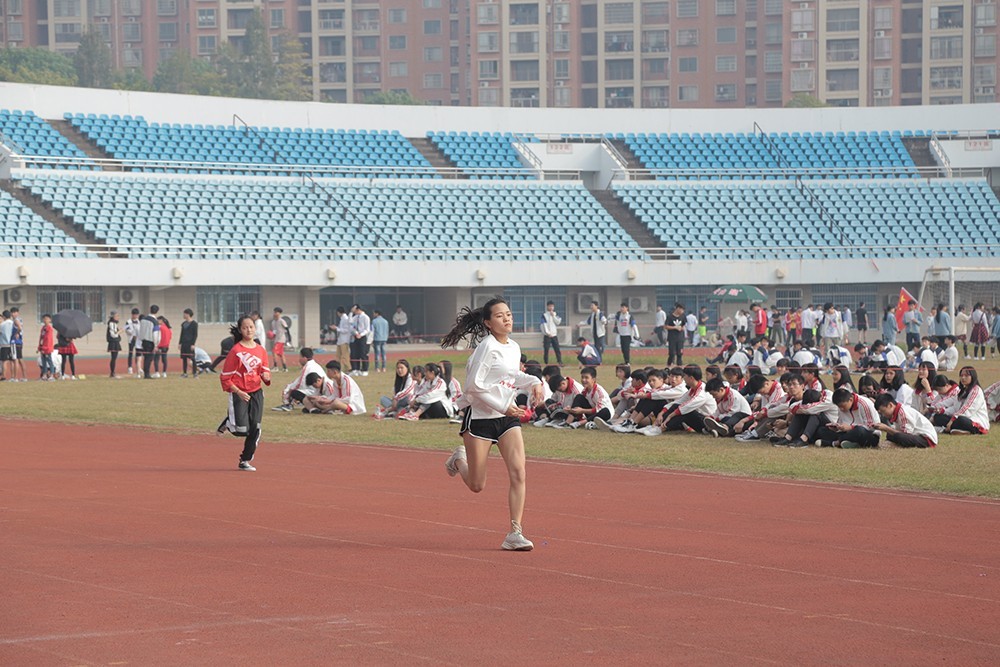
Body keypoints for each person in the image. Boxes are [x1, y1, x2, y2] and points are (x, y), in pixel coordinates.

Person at [440, 296, 544, 552]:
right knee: (477, 485)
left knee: (519, 472)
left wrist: (534, 382)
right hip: (480, 419)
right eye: (499, 316)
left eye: (508, 314)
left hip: (507, 418)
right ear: (488, 323)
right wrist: (501, 406)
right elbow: (472, 387)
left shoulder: (513, 347)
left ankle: (515, 533)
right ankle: (459, 459)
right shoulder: (486, 348)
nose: (506, 319)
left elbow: (512, 375)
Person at [218, 315, 271, 471]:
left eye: (251, 327)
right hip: (239, 392)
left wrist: (266, 376)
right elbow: (225, 378)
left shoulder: (261, 350)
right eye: (245, 327)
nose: (249, 330)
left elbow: (265, 371)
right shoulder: (236, 351)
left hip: (256, 392)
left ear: (255, 329)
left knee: (256, 427)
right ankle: (229, 422)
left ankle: (245, 460)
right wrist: (239, 392)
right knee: (241, 430)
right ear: (240, 330)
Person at [930, 366, 990, 435]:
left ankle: (953, 429)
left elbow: (967, 409)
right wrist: (943, 411)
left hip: (973, 420)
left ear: (973, 376)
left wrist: (952, 420)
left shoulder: (976, 390)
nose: (963, 378)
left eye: (966, 375)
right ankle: (957, 430)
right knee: (938, 417)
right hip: (959, 417)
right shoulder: (962, 391)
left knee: (961, 420)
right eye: (961, 375)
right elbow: (955, 408)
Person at [817, 388, 881, 449]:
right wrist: (837, 427)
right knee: (822, 430)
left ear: (851, 400)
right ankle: (851, 443)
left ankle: (834, 443)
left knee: (859, 430)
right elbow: (842, 423)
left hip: (869, 434)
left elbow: (871, 426)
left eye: (843, 406)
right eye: (839, 407)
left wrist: (851, 427)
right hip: (848, 433)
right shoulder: (842, 406)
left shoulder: (864, 404)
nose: (841, 409)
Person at [272, 347, 326, 411]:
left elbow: (300, 383)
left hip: (315, 393)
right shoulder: (315, 365)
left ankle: (288, 404)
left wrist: (289, 391)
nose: (299, 359)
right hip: (319, 392)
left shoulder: (307, 367)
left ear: (304, 358)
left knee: (293, 391)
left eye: (300, 357)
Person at [138, 304, 160, 379]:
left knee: (146, 357)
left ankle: (146, 373)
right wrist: (156, 344)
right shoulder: (155, 321)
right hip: (151, 341)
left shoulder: (143, 319)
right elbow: (155, 334)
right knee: (149, 358)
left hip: (144, 341)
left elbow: (140, 330)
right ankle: (147, 374)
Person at [350, 304, 371, 376]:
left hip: (363, 336)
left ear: (358, 309)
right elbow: (350, 323)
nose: (354, 311)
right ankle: (356, 369)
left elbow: (367, 329)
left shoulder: (365, 317)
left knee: (363, 353)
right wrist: (351, 313)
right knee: (355, 353)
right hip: (356, 335)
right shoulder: (355, 317)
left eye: (355, 310)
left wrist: (361, 334)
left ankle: (365, 369)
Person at [540, 300, 563, 365]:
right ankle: (546, 362)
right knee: (546, 349)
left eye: (552, 306)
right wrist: (548, 333)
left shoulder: (555, 314)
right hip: (547, 336)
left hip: (554, 335)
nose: (551, 308)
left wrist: (553, 316)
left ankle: (559, 361)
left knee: (557, 349)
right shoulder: (544, 315)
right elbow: (543, 325)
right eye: (550, 306)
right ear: (547, 307)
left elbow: (558, 322)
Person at [179, 308, 199, 378]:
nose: (183, 315)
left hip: (190, 343)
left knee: (192, 358)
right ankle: (185, 373)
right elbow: (182, 334)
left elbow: (195, 334)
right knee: (184, 358)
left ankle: (195, 373)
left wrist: (193, 344)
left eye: (184, 314)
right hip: (184, 343)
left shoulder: (194, 324)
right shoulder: (183, 324)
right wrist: (180, 343)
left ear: (188, 314)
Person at [269, 307, 290, 372]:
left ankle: (276, 367)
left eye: (276, 312)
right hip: (276, 339)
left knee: (274, 351)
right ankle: (285, 368)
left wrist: (289, 338)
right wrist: (272, 336)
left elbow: (287, 329)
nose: (274, 313)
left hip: (281, 339)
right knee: (281, 354)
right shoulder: (273, 322)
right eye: (274, 312)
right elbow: (274, 331)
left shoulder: (281, 321)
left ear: (279, 313)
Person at [36, 313, 56, 381]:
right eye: (44, 319)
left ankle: (52, 375)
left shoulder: (49, 328)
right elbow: (41, 338)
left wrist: (45, 348)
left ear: (50, 320)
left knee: (49, 362)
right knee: (43, 362)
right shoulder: (43, 328)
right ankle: (44, 375)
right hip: (42, 348)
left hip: (47, 348)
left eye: (47, 319)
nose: (45, 320)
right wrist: (39, 347)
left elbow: (48, 339)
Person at [8, 306, 25, 381]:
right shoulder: (20, 319)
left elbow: (20, 328)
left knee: (15, 360)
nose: (13, 314)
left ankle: (15, 378)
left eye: (15, 312)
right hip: (19, 342)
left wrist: (17, 333)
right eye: (12, 312)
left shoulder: (16, 320)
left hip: (15, 342)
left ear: (18, 313)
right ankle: (24, 377)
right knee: (20, 359)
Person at [124, 308, 141, 376]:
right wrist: (133, 334)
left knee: (138, 353)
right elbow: (126, 329)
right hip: (131, 339)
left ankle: (138, 367)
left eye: (137, 315)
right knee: (130, 353)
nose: (135, 316)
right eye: (134, 315)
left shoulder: (139, 321)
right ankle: (130, 367)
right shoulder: (128, 321)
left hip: (138, 339)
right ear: (132, 314)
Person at [106, 310, 122, 378]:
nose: (118, 317)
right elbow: (113, 335)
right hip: (113, 342)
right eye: (117, 316)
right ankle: (112, 373)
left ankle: (113, 372)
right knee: (113, 358)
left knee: (114, 358)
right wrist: (120, 332)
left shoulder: (115, 324)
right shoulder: (111, 324)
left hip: (115, 342)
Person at [0, 310, 13, 381]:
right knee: (12, 361)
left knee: (4, 361)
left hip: (4, 345)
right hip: (12, 344)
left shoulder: (2, 324)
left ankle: (3, 376)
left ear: (4, 317)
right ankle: (13, 377)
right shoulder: (13, 323)